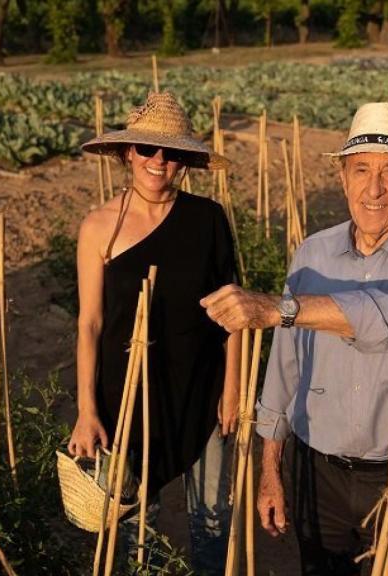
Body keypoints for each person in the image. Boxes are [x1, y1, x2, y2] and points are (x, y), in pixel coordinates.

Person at [200, 102, 388, 575]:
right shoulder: (314, 254)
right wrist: (270, 471)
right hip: (317, 471)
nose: (374, 188)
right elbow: (285, 368)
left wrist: (281, 309)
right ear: (342, 177)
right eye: (361, 169)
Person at [67, 91, 240, 574]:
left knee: (210, 518)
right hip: (127, 394)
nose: (158, 161)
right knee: (135, 520)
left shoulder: (208, 219)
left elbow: (234, 311)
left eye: (171, 153)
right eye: (147, 149)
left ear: (184, 161)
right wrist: (86, 411)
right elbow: (90, 323)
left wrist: (232, 389)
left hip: (202, 389)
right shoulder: (98, 227)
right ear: (127, 153)